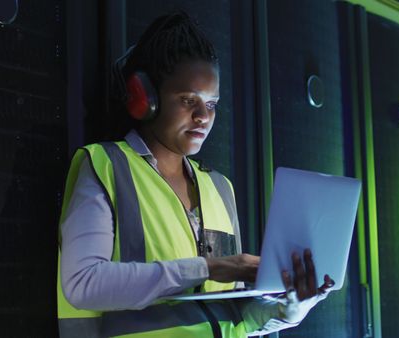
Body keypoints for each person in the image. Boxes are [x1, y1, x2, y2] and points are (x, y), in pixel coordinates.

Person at [56, 11, 334, 338]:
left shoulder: (219, 188)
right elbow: (83, 284)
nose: (203, 117)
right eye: (189, 100)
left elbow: (235, 317)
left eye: (212, 104)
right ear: (145, 99)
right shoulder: (105, 166)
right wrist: (211, 267)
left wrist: (291, 308)